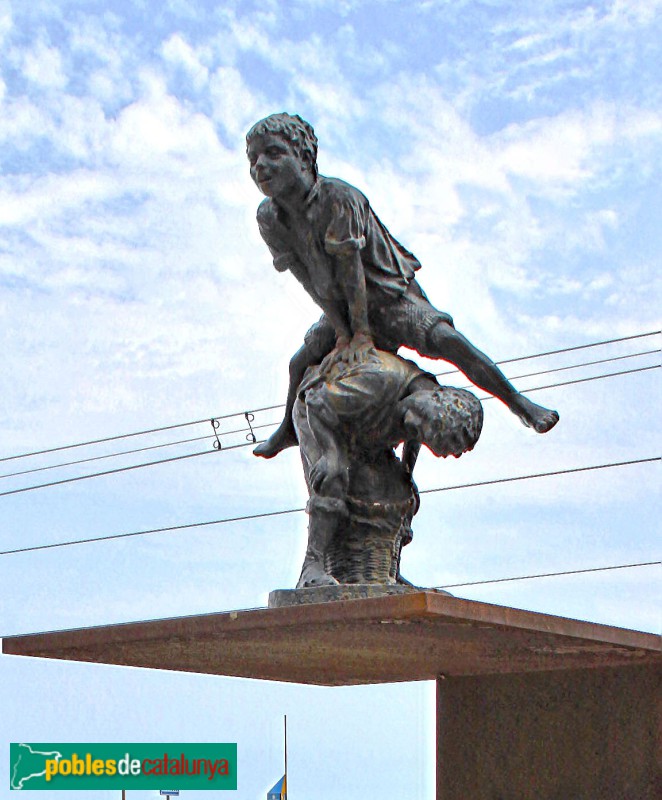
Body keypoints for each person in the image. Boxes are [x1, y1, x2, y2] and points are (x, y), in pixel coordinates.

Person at [246, 113, 558, 460]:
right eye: (253, 159)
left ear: (304, 158)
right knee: (299, 363)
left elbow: (352, 272)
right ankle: (288, 430)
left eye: (273, 154)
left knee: (447, 341)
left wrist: (361, 336)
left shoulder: (338, 198)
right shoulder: (269, 218)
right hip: (346, 310)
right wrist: (341, 332)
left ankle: (519, 404)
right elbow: (309, 280)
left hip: (388, 296)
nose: (260, 165)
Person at [292, 348, 483, 587]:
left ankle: (389, 572)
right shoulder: (378, 381)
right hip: (319, 416)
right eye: (447, 445)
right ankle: (312, 566)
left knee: (403, 492)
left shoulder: (424, 404)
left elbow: (415, 435)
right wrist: (332, 454)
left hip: (363, 427)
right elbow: (316, 401)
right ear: (434, 415)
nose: (449, 454)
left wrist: (407, 471)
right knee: (334, 475)